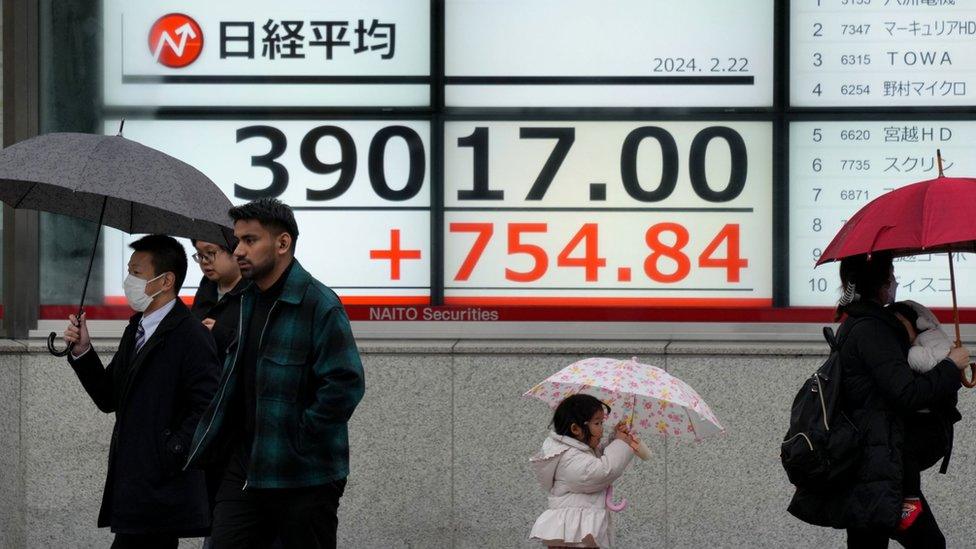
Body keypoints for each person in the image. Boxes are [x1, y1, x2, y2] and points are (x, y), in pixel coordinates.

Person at [184, 198, 366, 549]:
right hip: (245, 466)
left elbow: (345, 383)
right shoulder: (245, 300)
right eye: (237, 241)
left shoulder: (318, 304)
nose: (238, 250)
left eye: (250, 240)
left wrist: (300, 438)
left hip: (303, 475)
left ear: (282, 244)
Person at [787, 252, 970, 548]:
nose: (896, 281)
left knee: (870, 541)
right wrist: (951, 366)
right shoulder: (872, 330)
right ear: (883, 284)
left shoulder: (862, 324)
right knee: (929, 544)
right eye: (892, 275)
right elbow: (906, 394)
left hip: (870, 460)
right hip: (876, 461)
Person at [62, 234, 220, 549]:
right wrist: (83, 351)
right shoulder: (137, 328)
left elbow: (207, 408)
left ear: (166, 281)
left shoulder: (191, 335)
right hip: (134, 483)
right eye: (129, 271)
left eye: (137, 273)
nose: (128, 281)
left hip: (163, 487)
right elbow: (109, 397)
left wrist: (170, 450)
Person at [529, 394, 641, 548]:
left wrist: (616, 438)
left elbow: (598, 459)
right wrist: (621, 445)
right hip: (572, 538)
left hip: (580, 534)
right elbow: (602, 471)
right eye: (597, 423)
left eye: (602, 422)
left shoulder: (580, 453)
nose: (601, 429)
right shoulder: (569, 458)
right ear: (576, 429)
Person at [887, 300, 960, 533]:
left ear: (915, 324)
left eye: (901, 323)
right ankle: (910, 499)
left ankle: (910, 499)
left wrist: (952, 363)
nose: (898, 328)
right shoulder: (902, 349)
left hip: (930, 428)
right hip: (918, 429)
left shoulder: (923, 346)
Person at [190, 238, 246, 366]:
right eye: (199, 254)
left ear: (235, 251)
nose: (204, 261)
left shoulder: (253, 290)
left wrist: (221, 334)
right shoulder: (206, 285)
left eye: (210, 253)